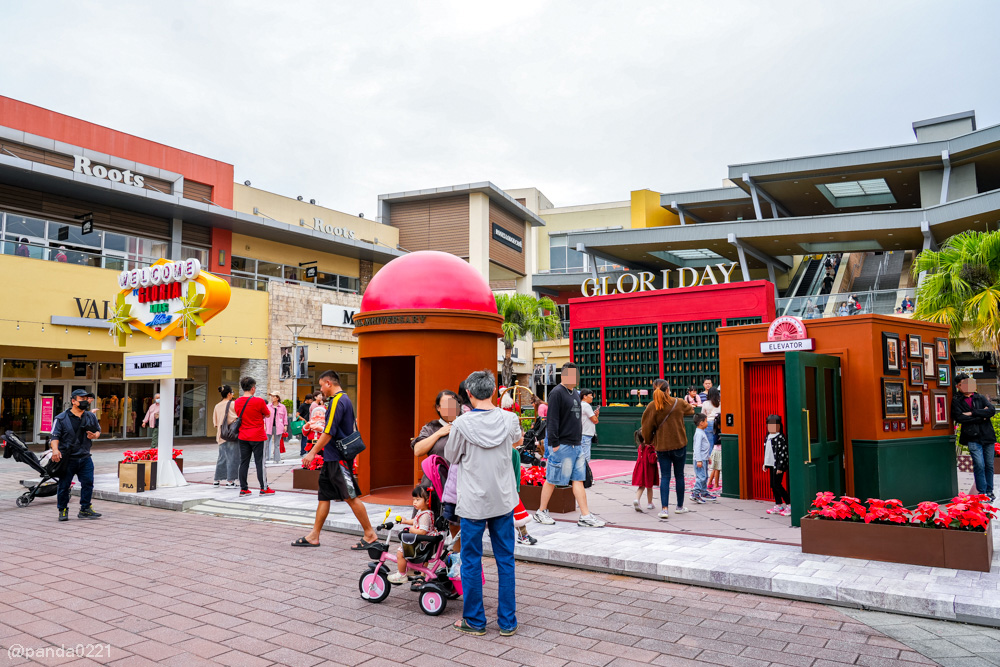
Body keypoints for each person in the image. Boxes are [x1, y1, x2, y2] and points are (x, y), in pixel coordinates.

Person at [444, 369, 520, 637]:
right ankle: (508, 622)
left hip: (473, 501)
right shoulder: (510, 419)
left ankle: (475, 621)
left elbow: (452, 456)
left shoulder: (462, 424)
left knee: (471, 559)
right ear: (492, 391)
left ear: (470, 393)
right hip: (503, 499)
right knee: (505, 560)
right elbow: (517, 441)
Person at [295, 370, 378, 549]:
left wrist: (312, 453)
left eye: (321, 385)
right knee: (324, 496)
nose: (321, 390)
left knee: (350, 496)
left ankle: (370, 533)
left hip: (337, 458)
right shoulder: (342, 400)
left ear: (328, 383)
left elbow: (329, 432)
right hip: (331, 458)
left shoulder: (338, 401)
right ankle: (314, 535)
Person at [532, 362, 605, 528]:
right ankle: (541, 511)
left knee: (578, 479)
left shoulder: (574, 394)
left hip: (575, 444)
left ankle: (585, 515)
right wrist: (555, 444)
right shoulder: (556, 393)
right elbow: (552, 420)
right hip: (562, 445)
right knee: (552, 478)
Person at [641, 379, 695, 520]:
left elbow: (646, 427)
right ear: (668, 389)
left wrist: (649, 441)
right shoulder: (678, 403)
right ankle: (679, 507)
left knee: (665, 476)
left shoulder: (652, 406)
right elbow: (691, 410)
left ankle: (664, 509)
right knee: (679, 476)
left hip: (662, 446)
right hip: (679, 444)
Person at [51, 389, 102, 522]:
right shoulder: (61, 418)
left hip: (85, 457)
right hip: (68, 458)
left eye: (86, 399)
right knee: (64, 485)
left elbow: (98, 431)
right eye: (82, 399)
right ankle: (62, 510)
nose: (85, 401)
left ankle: (85, 509)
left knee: (88, 483)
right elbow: (54, 436)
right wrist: (55, 450)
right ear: (73, 401)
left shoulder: (91, 416)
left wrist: (94, 435)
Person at [953, 374, 996, 501]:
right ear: (958, 386)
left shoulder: (980, 397)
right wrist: (982, 415)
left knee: (989, 465)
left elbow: (992, 411)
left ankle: (990, 491)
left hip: (987, 435)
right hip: (972, 437)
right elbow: (959, 417)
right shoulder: (956, 400)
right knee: (979, 464)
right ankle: (982, 492)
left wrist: (972, 413)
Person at [388, 486, 438, 584]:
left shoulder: (425, 515)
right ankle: (410, 569)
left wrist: (411, 530)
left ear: (427, 501)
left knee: (400, 553)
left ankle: (401, 574)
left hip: (421, 545)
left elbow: (422, 531)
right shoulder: (423, 512)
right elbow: (416, 521)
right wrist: (406, 521)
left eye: (418, 500)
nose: (414, 502)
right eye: (414, 499)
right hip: (422, 542)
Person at [234, 376, 273, 497]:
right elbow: (268, 414)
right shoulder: (259, 401)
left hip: (243, 435)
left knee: (244, 462)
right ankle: (263, 488)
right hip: (257, 435)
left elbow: (239, 414)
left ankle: (243, 489)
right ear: (252, 388)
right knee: (260, 462)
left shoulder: (237, 402)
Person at [412, 390, 460, 458]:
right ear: (438, 408)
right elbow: (418, 451)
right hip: (440, 468)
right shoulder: (430, 428)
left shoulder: (464, 425)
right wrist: (439, 433)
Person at [212, 385, 239, 488]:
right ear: (228, 394)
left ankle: (217, 479)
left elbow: (215, 423)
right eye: (232, 392)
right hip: (231, 434)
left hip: (221, 434)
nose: (232, 394)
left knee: (222, 457)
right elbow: (236, 418)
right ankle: (230, 480)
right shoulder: (233, 404)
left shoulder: (217, 406)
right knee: (233, 457)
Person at [763, 415, 790, 516]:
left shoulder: (781, 438)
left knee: (778, 485)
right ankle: (778, 505)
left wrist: (780, 467)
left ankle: (789, 504)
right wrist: (765, 464)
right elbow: (767, 452)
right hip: (770, 464)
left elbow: (783, 453)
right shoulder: (768, 436)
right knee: (773, 485)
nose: (771, 427)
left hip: (778, 465)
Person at [631, 428, 659, 512]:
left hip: (640, 469)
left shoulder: (640, 447)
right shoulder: (650, 447)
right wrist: (657, 455)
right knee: (649, 487)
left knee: (641, 486)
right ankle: (650, 503)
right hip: (648, 469)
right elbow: (651, 460)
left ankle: (636, 499)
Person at [704, 388, 723, 492]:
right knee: (716, 446)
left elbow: (703, 414)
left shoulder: (706, 403)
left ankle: (710, 460)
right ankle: (714, 482)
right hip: (718, 424)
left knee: (710, 446)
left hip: (708, 423)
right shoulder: (720, 403)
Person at [691, 414, 713, 503]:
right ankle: (695, 493)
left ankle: (704, 492)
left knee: (705, 476)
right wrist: (699, 460)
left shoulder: (701, 432)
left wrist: (707, 457)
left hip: (704, 458)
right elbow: (697, 447)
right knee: (701, 477)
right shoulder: (699, 433)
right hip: (700, 459)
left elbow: (704, 447)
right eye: (706, 421)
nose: (707, 423)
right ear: (701, 423)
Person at [264, 392, 289, 465]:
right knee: (266, 443)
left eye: (273, 396)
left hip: (279, 427)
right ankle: (264, 459)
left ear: (277, 398)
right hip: (269, 426)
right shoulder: (268, 406)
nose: (272, 398)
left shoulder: (282, 407)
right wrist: (264, 425)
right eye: (271, 396)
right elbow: (264, 416)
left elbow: (285, 417)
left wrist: (285, 425)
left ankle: (277, 459)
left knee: (277, 444)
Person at [580, 388, 598, 462]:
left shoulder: (579, 405)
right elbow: (595, 420)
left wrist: (594, 415)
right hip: (586, 434)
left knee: (580, 457)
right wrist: (595, 416)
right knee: (586, 457)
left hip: (580, 433)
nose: (592, 397)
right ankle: (584, 473)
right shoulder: (586, 406)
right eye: (591, 395)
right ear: (585, 396)